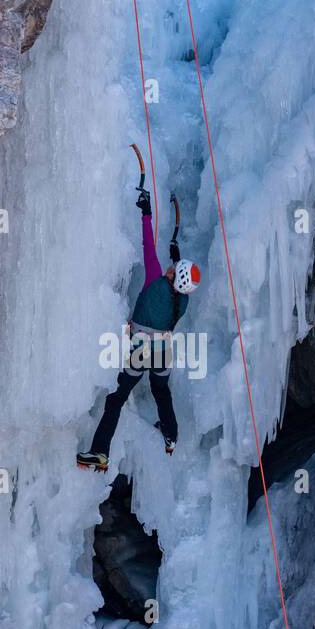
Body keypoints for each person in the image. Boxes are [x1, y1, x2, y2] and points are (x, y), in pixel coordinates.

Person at [77, 184, 201, 473]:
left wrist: (146, 213)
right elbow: (177, 287)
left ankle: (99, 453)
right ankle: (171, 436)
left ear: (171, 274)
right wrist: (176, 255)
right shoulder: (183, 303)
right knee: (161, 392)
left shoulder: (155, 281)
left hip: (140, 352)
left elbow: (148, 246)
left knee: (116, 399)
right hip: (162, 354)